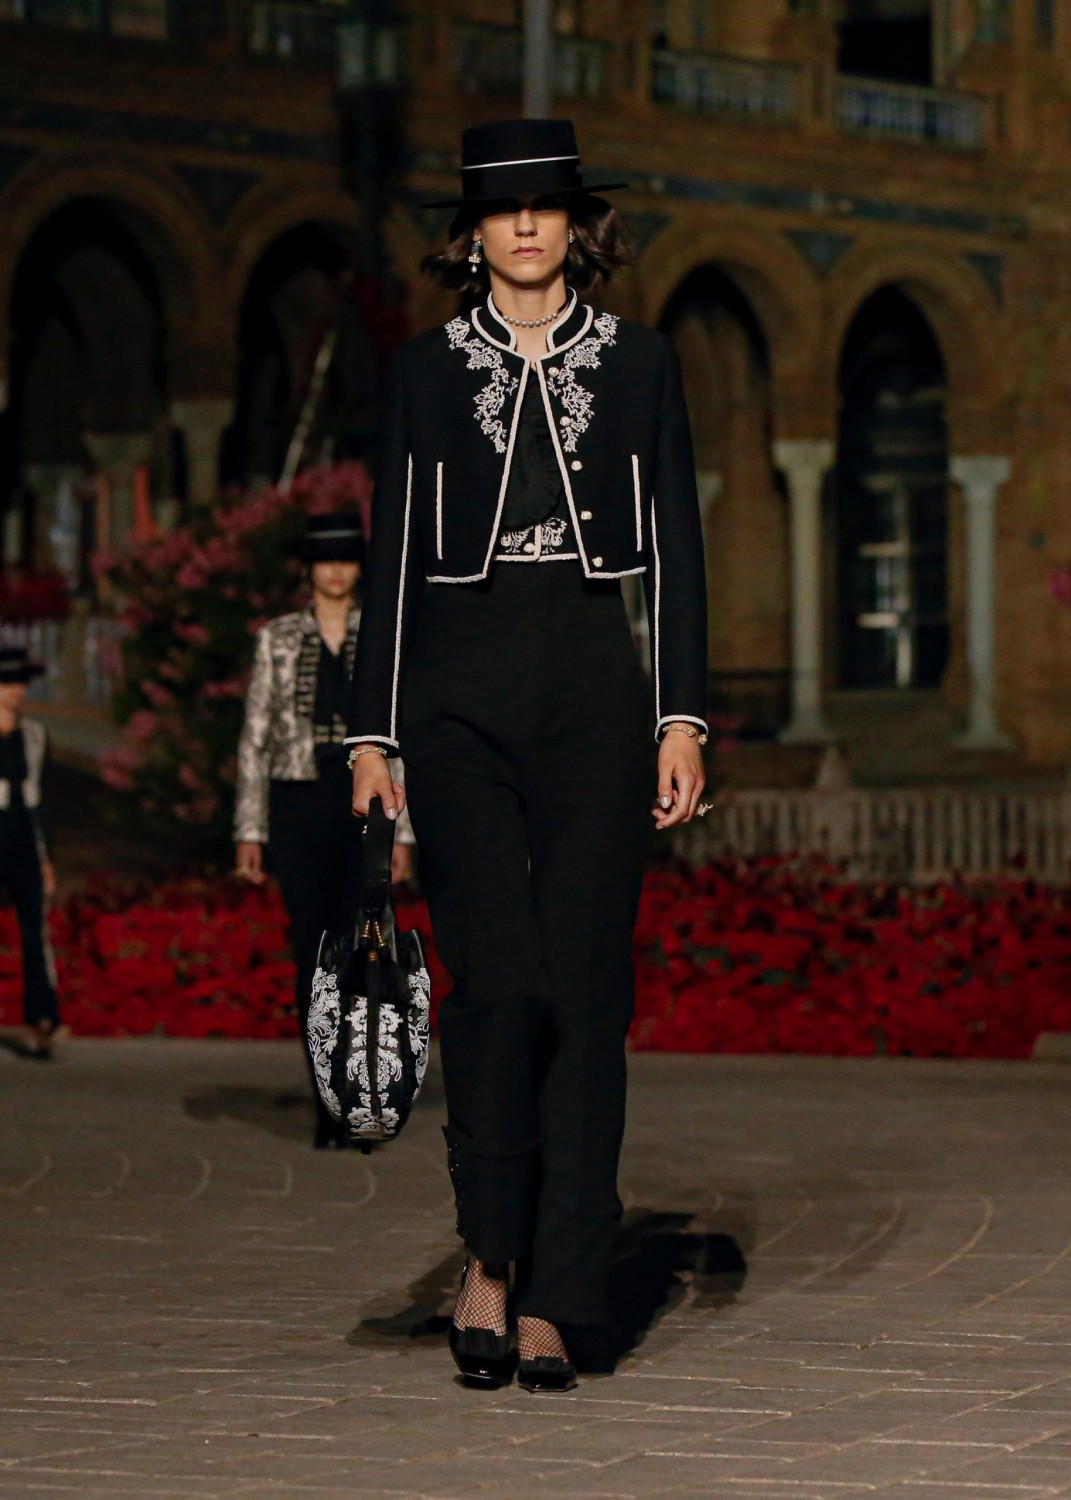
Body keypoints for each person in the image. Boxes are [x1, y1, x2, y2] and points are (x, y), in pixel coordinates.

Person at [347, 118, 708, 1393]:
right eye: (503, 210)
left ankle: (563, 1288)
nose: (526, 227)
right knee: (496, 988)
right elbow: (392, 557)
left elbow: (677, 546)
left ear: (574, 225)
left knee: (589, 1000)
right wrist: (373, 735)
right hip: (457, 702)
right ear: (474, 235)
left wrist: (681, 716)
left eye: (545, 206)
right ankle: (491, 1257)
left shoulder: (643, 363)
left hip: (595, 699)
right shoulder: (425, 372)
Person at [235, 512, 414, 1148]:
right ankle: (325, 1101)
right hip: (298, 802)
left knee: (366, 952)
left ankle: (361, 1098)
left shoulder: (381, 633)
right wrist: (249, 829)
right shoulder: (279, 638)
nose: (336, 571)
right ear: (310, 569)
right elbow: (255, 735)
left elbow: (397, 735)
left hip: (366, 806)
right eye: (325, 559)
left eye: (345, 558)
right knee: (314, 954)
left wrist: (404, 833)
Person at [0, 646, 59, 1059]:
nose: (16, 690)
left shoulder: (34, 735)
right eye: (8, 682)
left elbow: (43, 801)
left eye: (20, 682)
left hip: (22, 837)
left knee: (35, 931)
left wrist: (46, 857)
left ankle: (42, 1017)